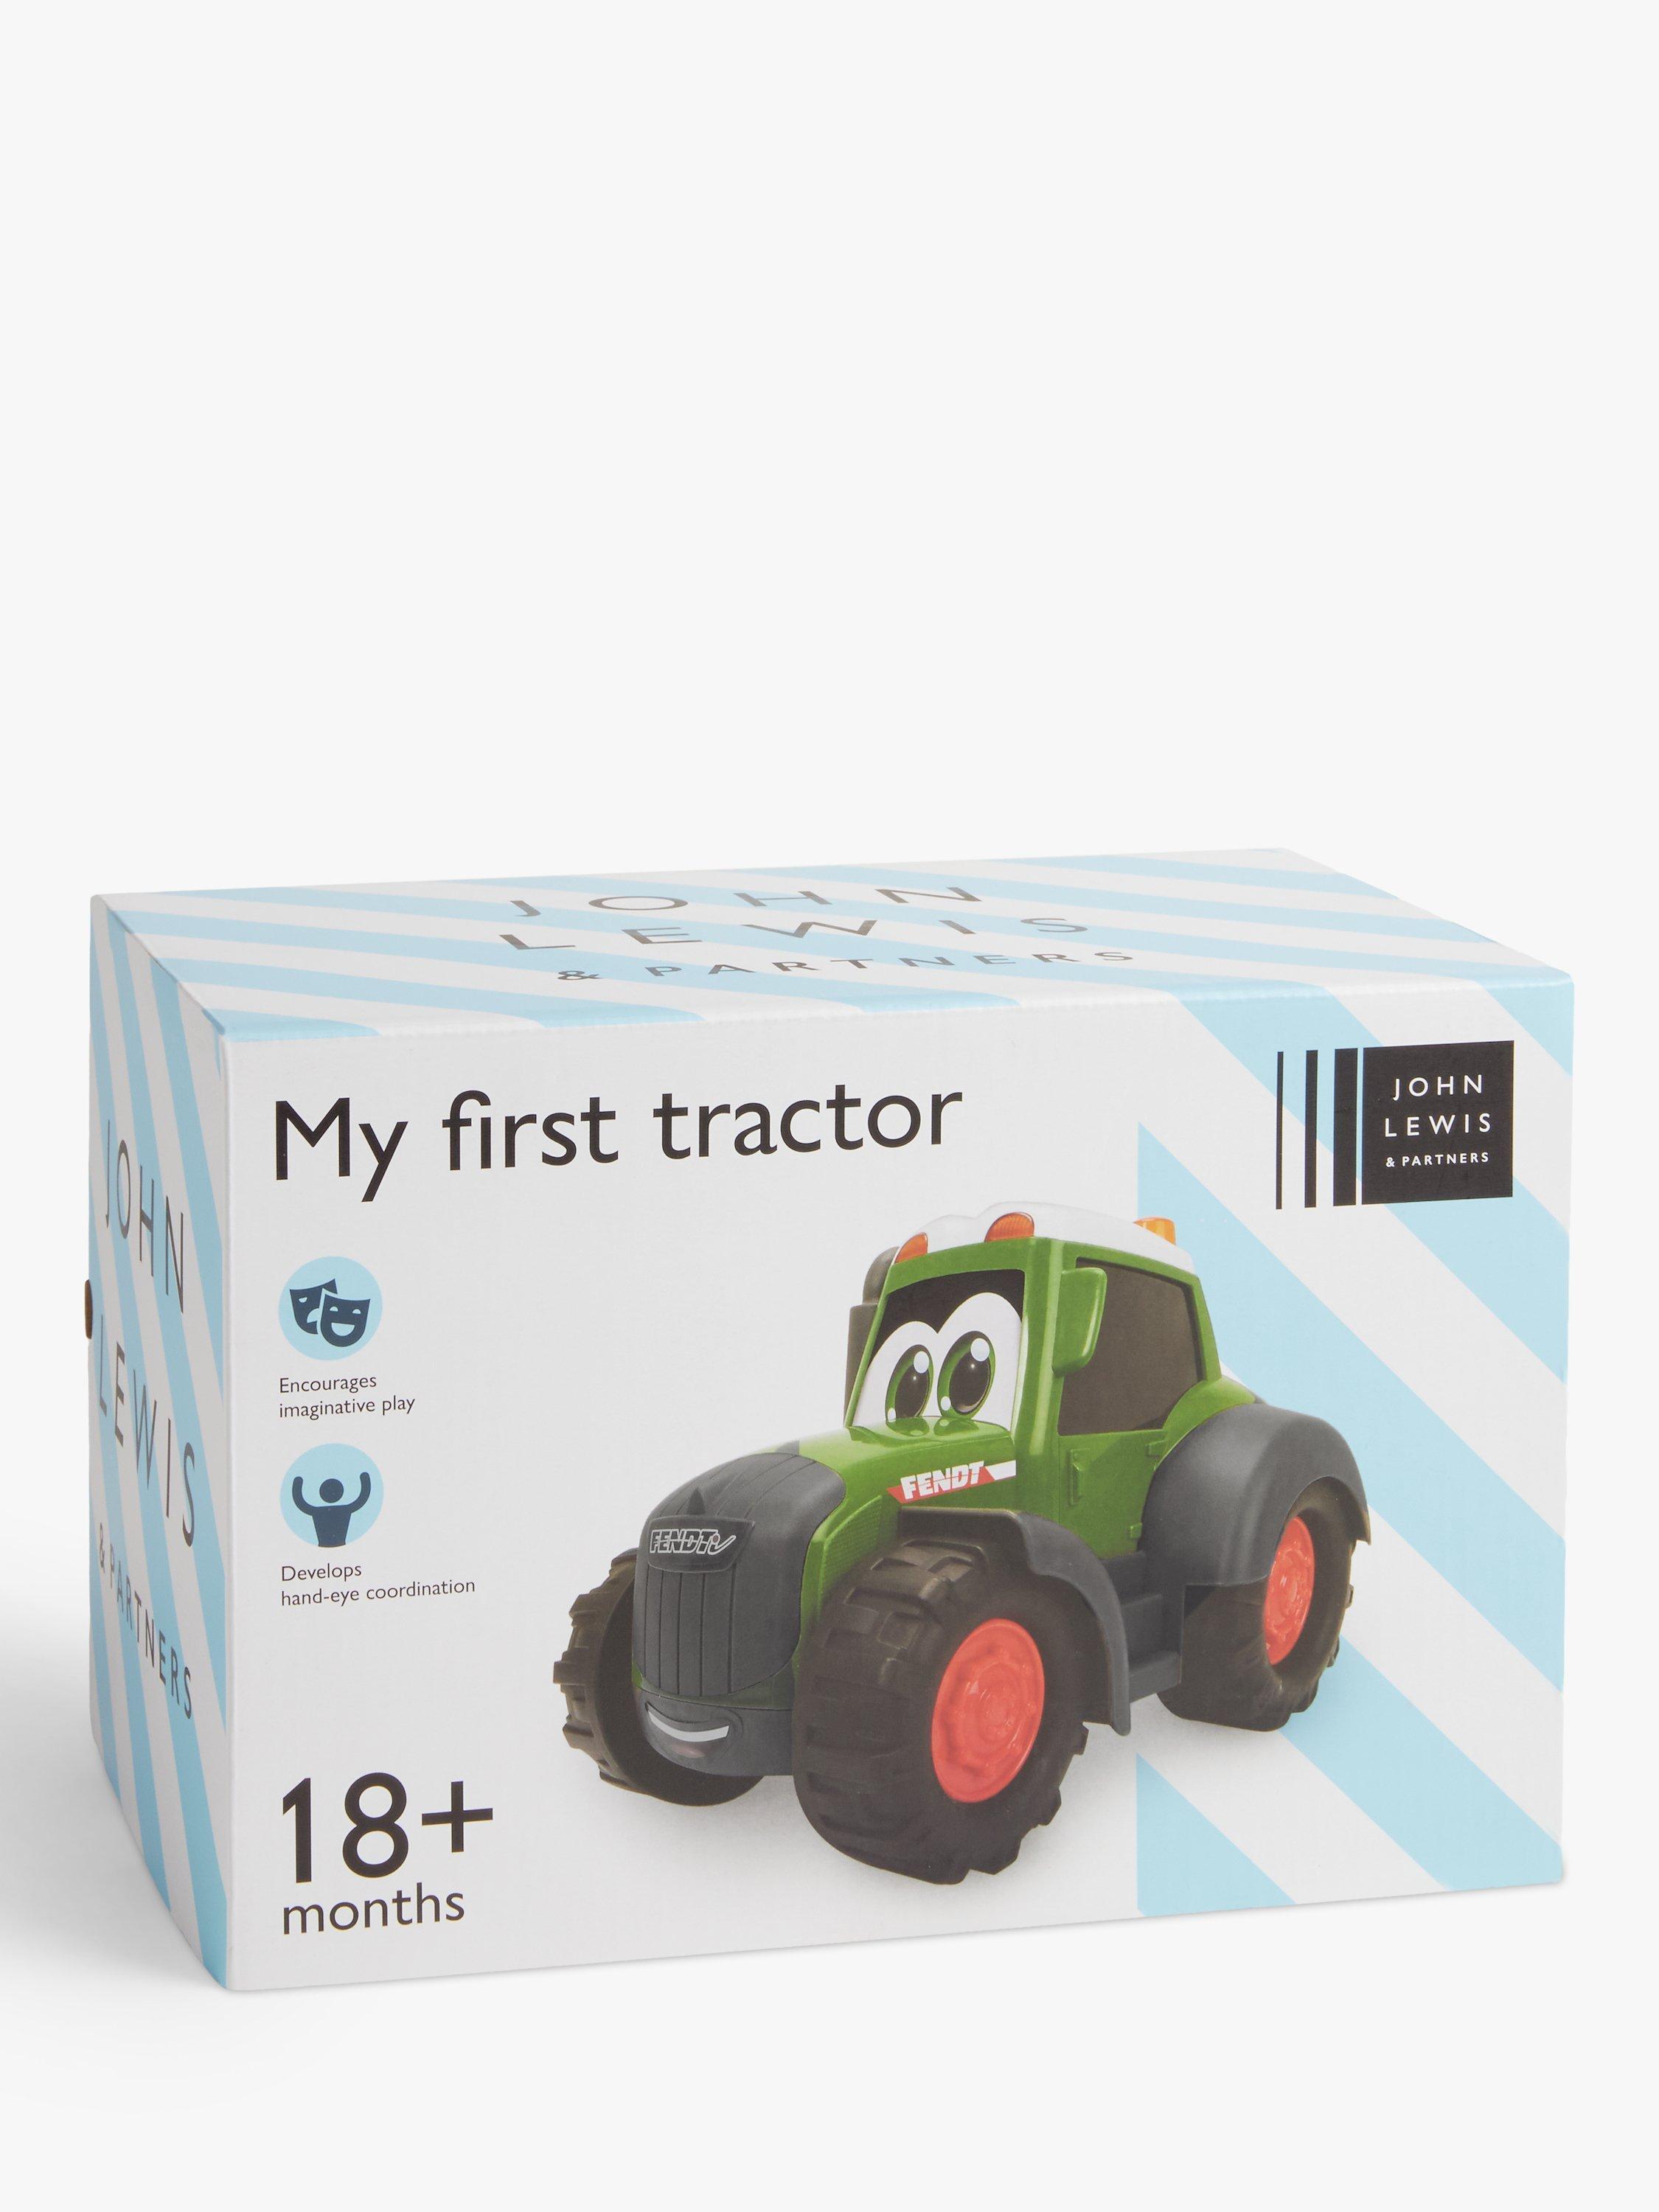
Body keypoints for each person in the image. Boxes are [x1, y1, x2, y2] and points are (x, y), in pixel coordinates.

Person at [291, 1470, 373, 1548]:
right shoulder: (346, 1509)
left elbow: (301, 1502)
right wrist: (365, 1479)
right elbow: (362, 1498)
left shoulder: (316, 1511)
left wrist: (297, 1483)